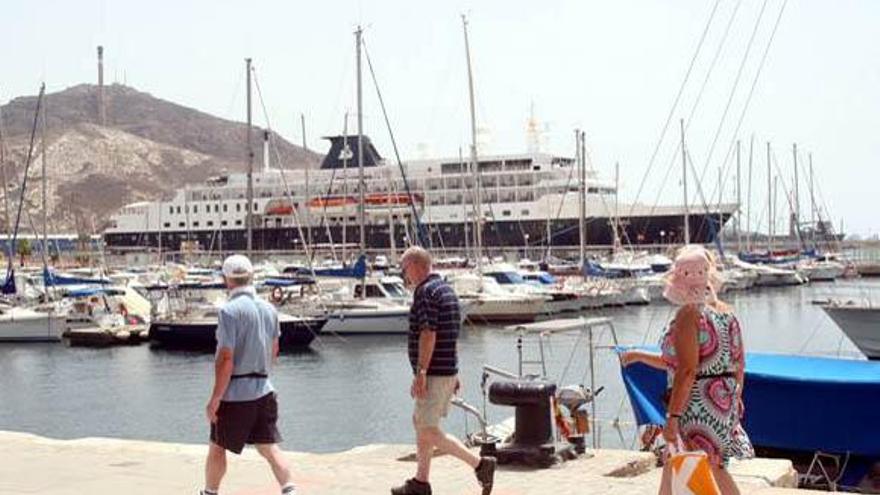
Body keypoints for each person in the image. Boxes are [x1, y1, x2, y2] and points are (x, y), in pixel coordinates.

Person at [620, 245, 754, 495]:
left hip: (695, 403)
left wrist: (673, 418)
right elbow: (738, 363)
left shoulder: (688, 315)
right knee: (676, 460)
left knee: (712, 465)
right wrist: (736, 398)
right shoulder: (727, 314)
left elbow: (687, 370)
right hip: (722, 398)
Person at [392, 246, 497, 495]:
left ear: (416, 266)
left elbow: (428, 333)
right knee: (422, 423)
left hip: (435, 373)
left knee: (427, 429)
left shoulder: (425, 292)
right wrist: (454, 370)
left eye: (405, 269)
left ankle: (481, 465)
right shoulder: (447, 290)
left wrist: (421, 372)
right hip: (446, 370)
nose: (404, 275)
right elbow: (452, 333)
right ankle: (420, 482)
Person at [200, 254, 296, 495]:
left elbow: (225, 359)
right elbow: (274, 350)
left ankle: (210, 492)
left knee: (217, 446)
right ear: (251, 276)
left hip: (235, 394)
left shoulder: (229, 312)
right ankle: (290, 490)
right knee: (269, 447)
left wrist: (215, 399)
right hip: (265, 389)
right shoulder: (269, 309)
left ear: (227, 280)